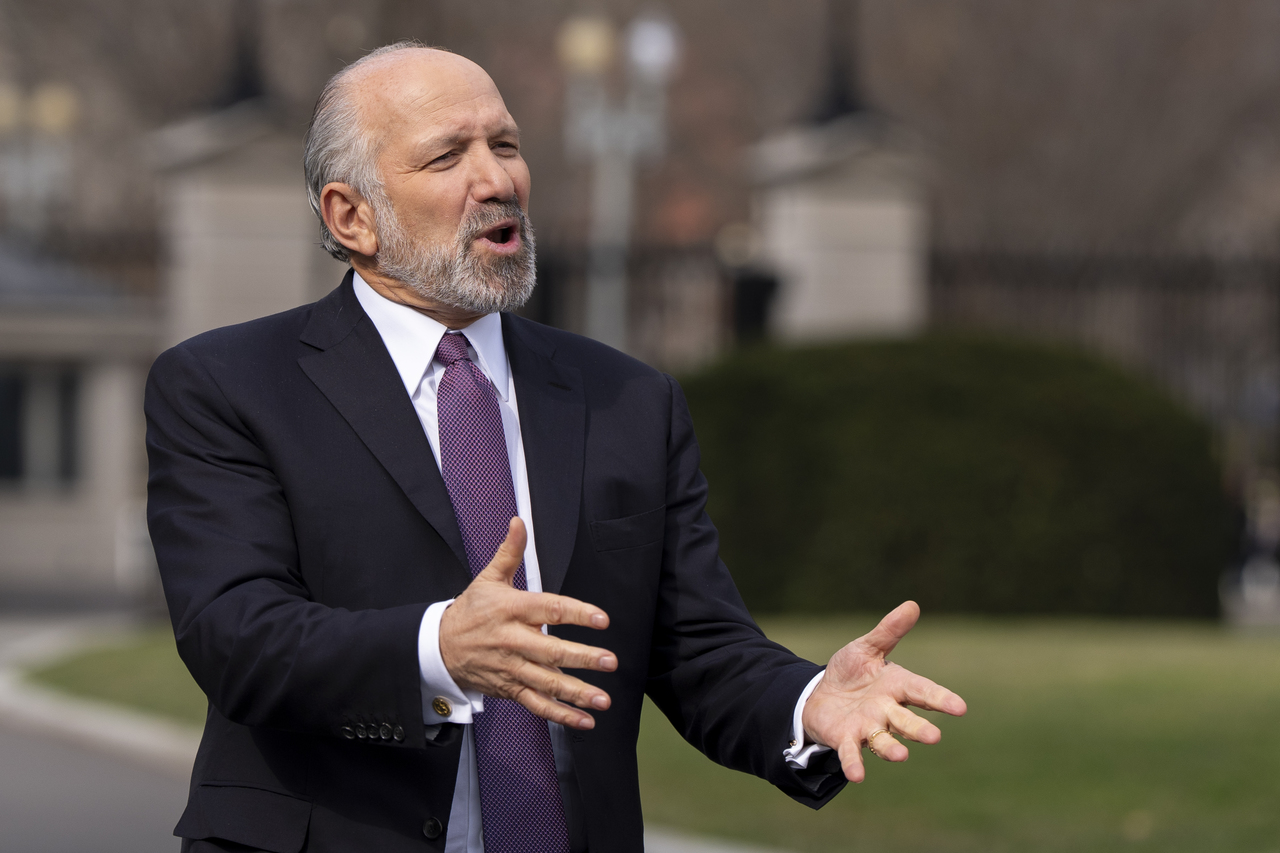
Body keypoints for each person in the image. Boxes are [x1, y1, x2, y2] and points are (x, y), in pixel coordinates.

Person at [145, 42, 967, 853]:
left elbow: (699, 649)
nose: (497, 179)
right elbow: (237, 636)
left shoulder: (627, 399)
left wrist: (807, 703)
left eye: (505, 144)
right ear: (350, 215)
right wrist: (439, 650)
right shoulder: (229, 385)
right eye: (447, 156)